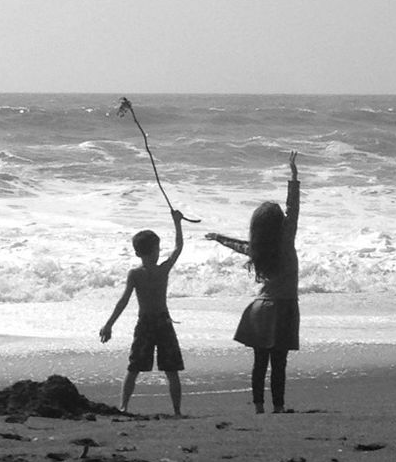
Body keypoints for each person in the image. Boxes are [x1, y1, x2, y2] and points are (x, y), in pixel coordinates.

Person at [205, 153, 300, 413]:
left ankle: (258, 407)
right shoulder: (285, 242)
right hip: (283, 309)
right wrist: (293, 177)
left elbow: (239, 246)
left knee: (260, 363)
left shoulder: (258, 249)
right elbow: (294, 210)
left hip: (259, 310)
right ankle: (278, 407)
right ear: (280, 224)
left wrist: (218, 238)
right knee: (279, 363)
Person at [99, 210, 185, 417]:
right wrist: (177, 223)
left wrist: (109, 324)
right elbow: (178, 247)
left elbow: (123, 301)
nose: (157, 253)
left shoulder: (137, 273)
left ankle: (126, 407)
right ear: (154, 250)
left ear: (137, 253)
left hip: (149, 323)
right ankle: (173, 411)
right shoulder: (160, 270)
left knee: (139, 368)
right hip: (159, 322)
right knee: (161, 369)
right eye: (156, 249)